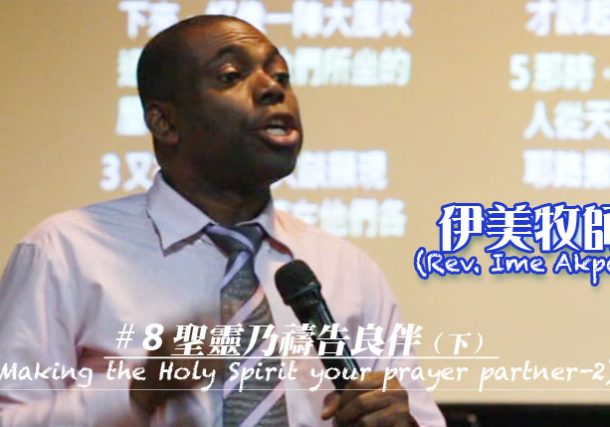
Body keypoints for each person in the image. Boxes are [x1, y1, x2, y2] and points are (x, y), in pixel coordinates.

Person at [0, 14, 445, 427]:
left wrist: (401, 422)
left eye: (281, 75)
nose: (272, 89)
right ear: (164, 122)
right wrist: (135, 394)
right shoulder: (67, 253)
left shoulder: (346, 269)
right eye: (231, 76)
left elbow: (417, 416)